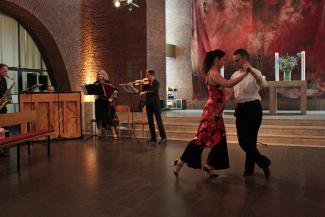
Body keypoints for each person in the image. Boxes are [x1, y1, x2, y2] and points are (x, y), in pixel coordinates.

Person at [173, 49, 248, 179]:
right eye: (223, 59)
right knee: (201, 139)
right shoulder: (213, 73)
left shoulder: (214, 73)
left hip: (216, 113)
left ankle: (209, 166)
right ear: (217, 60)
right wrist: (245, 73)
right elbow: (228, 83)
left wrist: (227, 95)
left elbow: (222, 91)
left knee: (220, 139)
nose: (225, 62)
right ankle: (180, 162)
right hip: (212, 113)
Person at [231, 48, 271, 179]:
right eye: (234, 61)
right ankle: (263, 161)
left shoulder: (256, 72)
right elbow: (231, 89)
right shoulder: (235, 74)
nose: (235, 63)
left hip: (253, 108)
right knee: (243, 141)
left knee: (251, 140)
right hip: (241, 109)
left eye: (237, 60)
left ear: (244, 58)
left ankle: (249, 168)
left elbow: (263, 84)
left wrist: (251, 70)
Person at [139, 69, 167, 144]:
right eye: (146, 75)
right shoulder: (147, 83)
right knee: (150, 121)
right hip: (148, 103)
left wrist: (145, 92)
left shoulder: (157, 83)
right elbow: (142, 91)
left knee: (159, 121)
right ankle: (153, 138)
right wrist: (142, 84)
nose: (146, 76)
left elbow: (154, 91)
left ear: (152, 75)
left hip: (155, 104)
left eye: (147, 75)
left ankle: (163, 137)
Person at [94, 70, 118, 139]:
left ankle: (114, 134)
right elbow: (94, 92)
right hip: (98, 102)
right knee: (98, 117)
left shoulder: (108, 83)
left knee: (108, 117)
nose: (99, 76)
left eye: (100, 74)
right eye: (98, 74)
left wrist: (111, 98)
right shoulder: (96, 83)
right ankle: (99, 133)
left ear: (104, 75)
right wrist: (95, 95)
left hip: (106, 103)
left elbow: (114, 92)